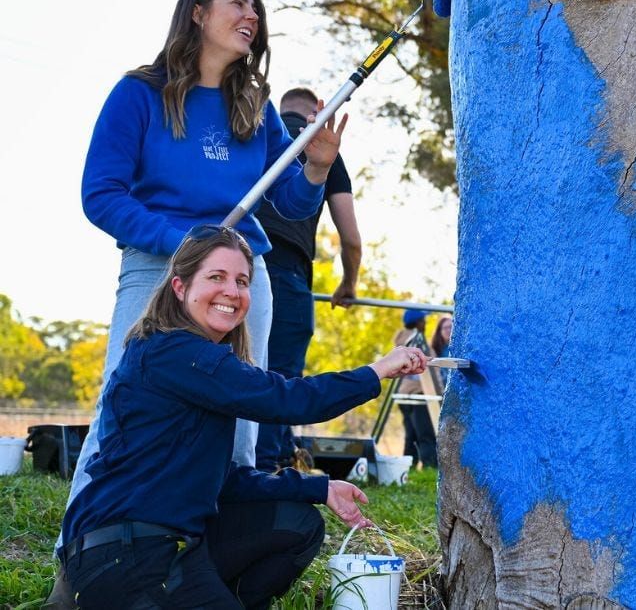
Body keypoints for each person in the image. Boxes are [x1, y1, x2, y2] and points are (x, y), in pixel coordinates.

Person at [54, 0, 349, 606]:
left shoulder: (256, 107)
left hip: (244, 270)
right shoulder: (139, 94)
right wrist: (184, 244)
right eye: (238, 3)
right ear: (196, 12)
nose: (252, 17)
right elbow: (101, 193)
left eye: (256, 8)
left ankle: (203, 563)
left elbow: (290, 204)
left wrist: (317, 168)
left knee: (240, 420)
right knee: (120, 410)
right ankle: (72, 570)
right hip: (158, 263)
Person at [57, 227, 428, 608]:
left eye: (242, 281)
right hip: (126, 556)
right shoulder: (175, 352)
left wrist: (319, 488)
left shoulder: (198, 363)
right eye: (216, 277)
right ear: (180, 287)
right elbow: (288, 400)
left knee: (296, 522)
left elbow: (221, 481)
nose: (232, 292)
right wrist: (376, 371)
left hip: (174, 546)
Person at [255, 87, 363, 472]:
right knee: (280, 378)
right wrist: (348, 284)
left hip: (232, 263)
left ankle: (270, 458)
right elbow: (350, 239)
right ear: (310, 112)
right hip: (285, 271)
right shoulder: (322, 146)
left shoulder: (255, 131)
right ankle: (267, 472)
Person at [393, 310, 439, 468]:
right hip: (418, 394)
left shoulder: (402, 343)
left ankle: (407, 468)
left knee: (411, 435)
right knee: (426, 434)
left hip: (404, 395)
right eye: (423, 320)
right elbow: (428, 372)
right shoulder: (417, 343)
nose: (425, 323)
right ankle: (430, 467)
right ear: (418, 322)